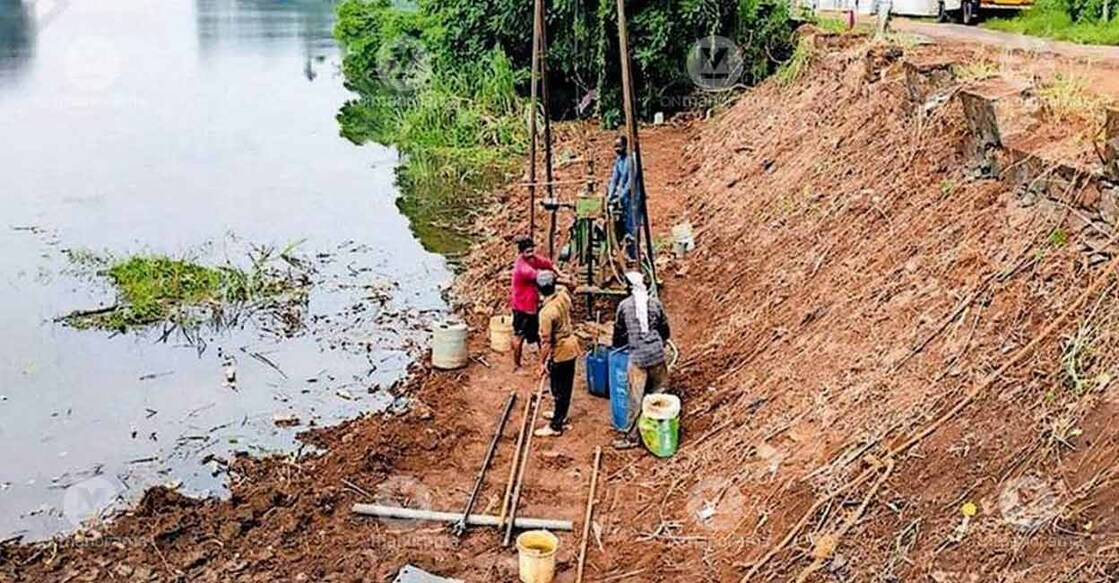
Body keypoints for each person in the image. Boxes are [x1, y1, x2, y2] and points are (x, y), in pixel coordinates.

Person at [612, 271, 671, 450]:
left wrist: (618, 345)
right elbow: (664, 328)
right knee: (659, 394)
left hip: (638, 358)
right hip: (657, 355)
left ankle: (632, 437)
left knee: (636, 399)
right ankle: (660, 429)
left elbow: (619, 331)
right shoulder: (654, 303)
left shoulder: (624, 306)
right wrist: (661, 342)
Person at [534, 270, 581, 438]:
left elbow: (546, 342)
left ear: (538, 290)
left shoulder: (546, 313)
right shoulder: (562, 294)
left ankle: (555, 426)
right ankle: (560, 414)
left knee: (559, 389)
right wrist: (560, 278)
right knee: (565, 387)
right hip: (572, 346)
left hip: (561, 351)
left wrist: (541, 363)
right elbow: (570, 284)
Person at [510, 236, 556, 370]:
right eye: (527, 252)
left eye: (532, 251)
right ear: (521, 253)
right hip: (522, 307)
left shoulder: (534, 259)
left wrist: (558, 271)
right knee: (519, 336)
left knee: (539, 334)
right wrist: (564, 279)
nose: (530, 255)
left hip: (534, 305)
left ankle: (543, 362)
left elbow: (548, 263)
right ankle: (516, 364)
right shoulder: (522, 268)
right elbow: (543, 278)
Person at [605, 135, 639, 259]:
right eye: (615, 146)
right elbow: (614, 179)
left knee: (631, 226)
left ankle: (634, 256)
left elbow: (631, 183)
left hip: (634, 198)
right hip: (624, 199)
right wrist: (610, 196)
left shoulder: (632, 159)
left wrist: (619, 197)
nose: (617, 149)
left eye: (619, 146)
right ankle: (621, 253)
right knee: (621, 225)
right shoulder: (619, 160)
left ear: (625, 146)